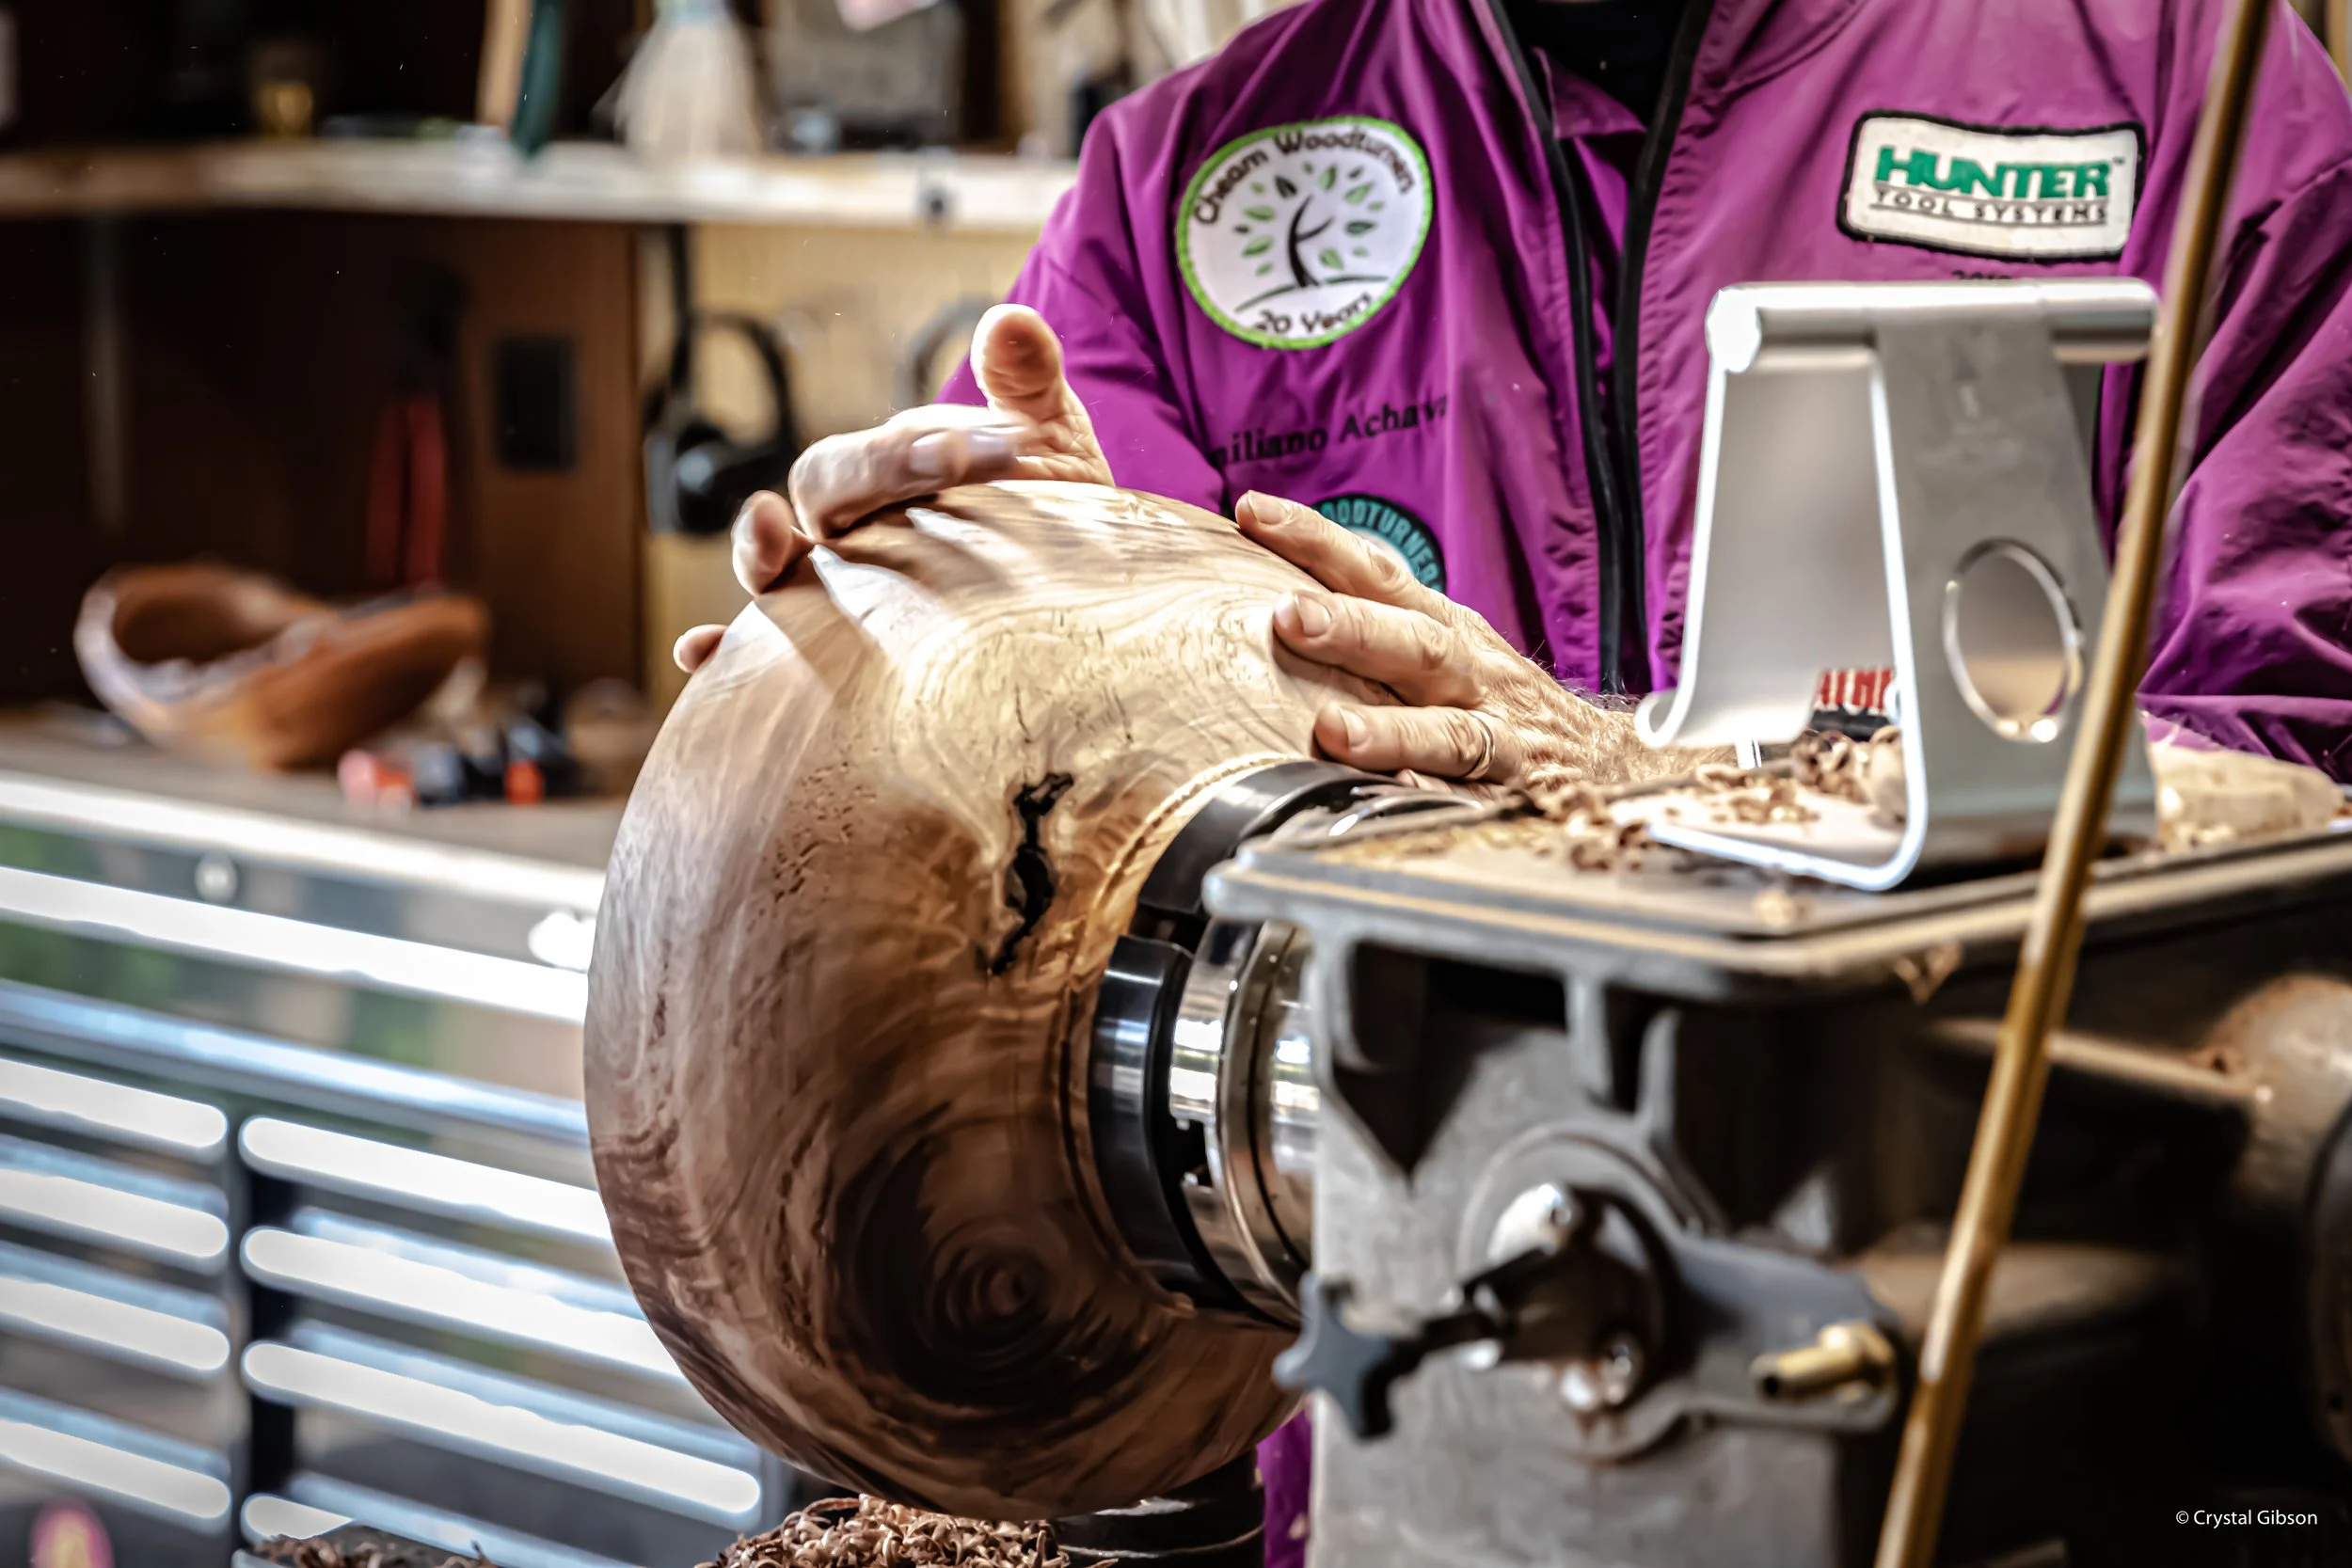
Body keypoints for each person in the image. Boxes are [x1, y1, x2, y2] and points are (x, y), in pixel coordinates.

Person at [673, 0, 2352, 1555]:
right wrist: (936, 713)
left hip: (2002, 1464)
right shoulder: (1180, 190)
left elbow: (2298, 795)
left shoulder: (2186, 89)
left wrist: (1645, 788)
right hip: (1393, 1479)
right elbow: (1086, 1034)